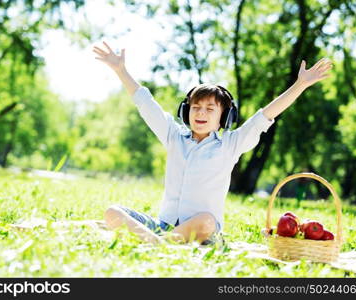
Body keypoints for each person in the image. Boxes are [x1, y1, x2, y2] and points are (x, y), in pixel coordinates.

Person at [92, 41, 332, 245]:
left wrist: (300, 84)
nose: (201, 113)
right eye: (196, 107)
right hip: (163, 227)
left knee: (207, 220)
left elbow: (266, 115)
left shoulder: (231, 144)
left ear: (224, 117)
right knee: (113, 212)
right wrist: (121, 70)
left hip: (203, 231)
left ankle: (154, 244)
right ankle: (160, 244)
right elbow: (146, 104)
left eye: (209, 109)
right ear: (187, 111)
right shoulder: (173, 136)